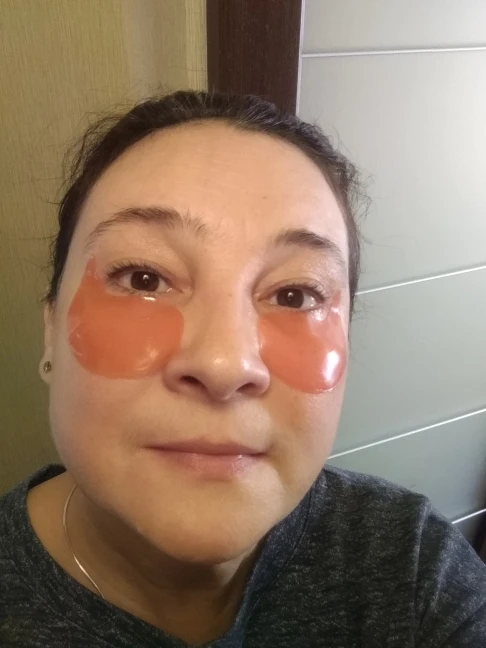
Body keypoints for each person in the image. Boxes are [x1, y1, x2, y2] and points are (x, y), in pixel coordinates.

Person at [1, 90, 485, 648]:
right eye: (143, 278)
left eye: (296, 294)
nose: (224, 364)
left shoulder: (413, 567)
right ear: (51, 332)